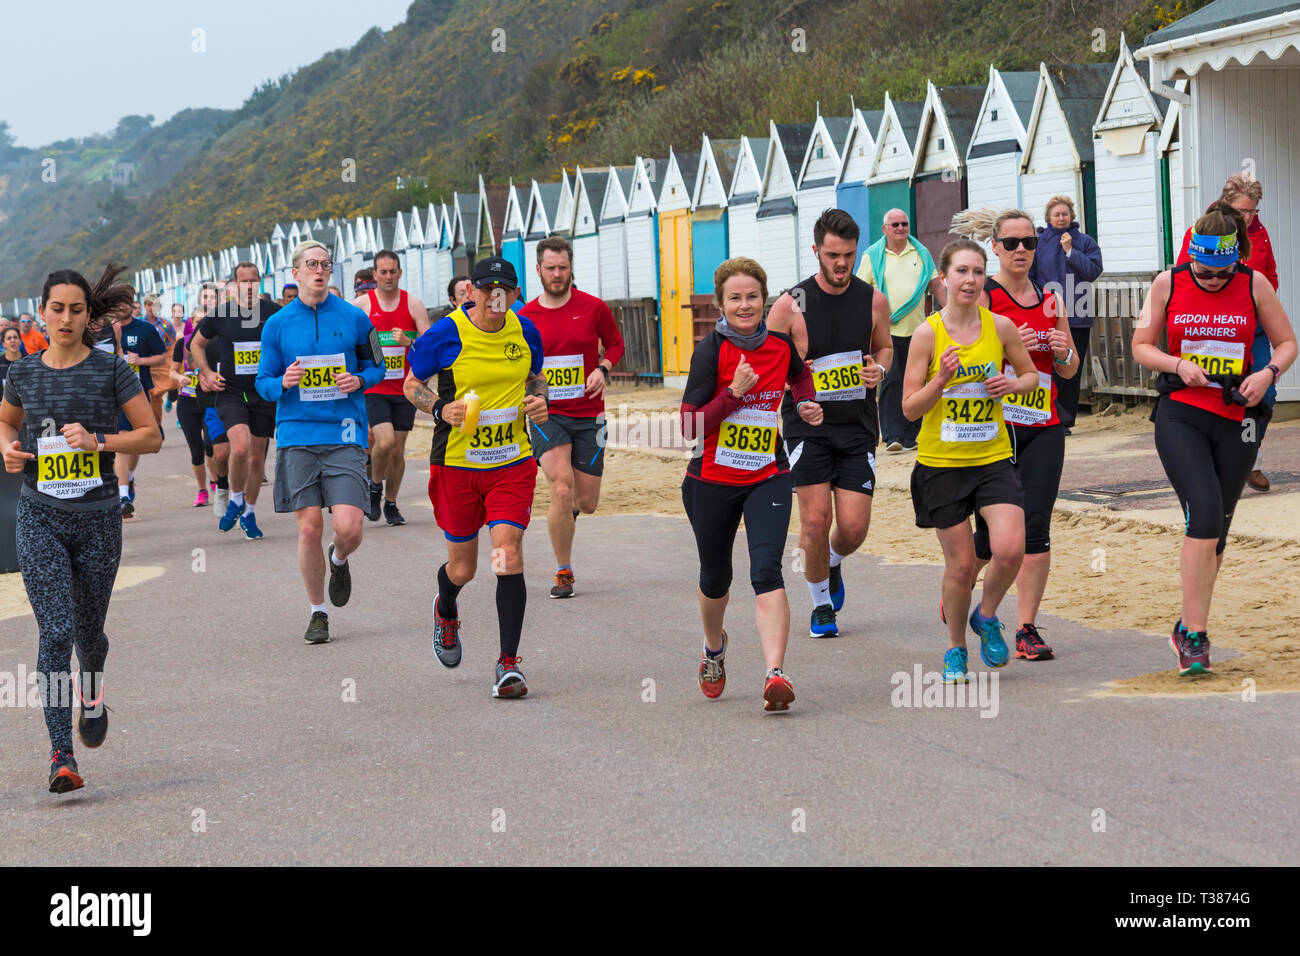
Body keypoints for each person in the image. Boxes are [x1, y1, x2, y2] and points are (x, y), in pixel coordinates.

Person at [0, 263, 162, 793]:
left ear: (88, 315)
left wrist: (100, 442)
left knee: (89, 636)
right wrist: (7, 446)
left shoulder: (110, 370)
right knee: (56, 631)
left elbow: (151, 436)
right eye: (57, 308)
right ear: (41, 313)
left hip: (96, 520)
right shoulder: (23, 372)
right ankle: (60, 755)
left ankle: (91, 694)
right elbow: (5, 420)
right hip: (39, 515)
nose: (65, 318)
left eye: (76, 309)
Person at [1133, 203, 1295, 676]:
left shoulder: (1253, 283)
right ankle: (1198, 639)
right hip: (1182, 412)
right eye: (1203, 271)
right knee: (1202, 516)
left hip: (1239, 416)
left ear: (1236, 258)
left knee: (1217, 530)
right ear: (1192, 256)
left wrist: (1268, 373)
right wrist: (1177, 364)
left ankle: (1186, 624)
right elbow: (1141, 345)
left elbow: (1287, 343)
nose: (1210, 280)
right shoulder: (1168, 282)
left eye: (1220, 273)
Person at [680, 257, 822, 711]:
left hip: (768, 475)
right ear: (721, 303)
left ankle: (774, 672)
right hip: (711, 480)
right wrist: (733, 394)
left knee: (767, 570)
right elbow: (688, 427)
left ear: (765, 299)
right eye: (735, 298)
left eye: (753, 297)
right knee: (716, 577)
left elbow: (801, 378)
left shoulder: (780, 346)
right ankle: (713, 647)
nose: (745, 305)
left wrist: (805, 405)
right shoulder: (710, 352)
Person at [403, 256, 549, 698]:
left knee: (508, 552)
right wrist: (438, 407)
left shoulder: (526, 332)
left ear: (516, 294)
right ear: (472, 292)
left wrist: (539, 401)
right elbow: (412, 384)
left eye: (504, 289)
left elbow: (536, 379)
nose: (495, 297)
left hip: (511, 461)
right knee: (463, 568)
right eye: (487, 289)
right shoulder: (447, 333)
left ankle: (509, 664)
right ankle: (446, 608)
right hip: (457, 464)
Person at [901, 239, 1040, 684]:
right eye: (961, 271)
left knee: (1011, 548)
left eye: (978, 272)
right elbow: (908, 409)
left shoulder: (1000, 327)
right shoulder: (928, 334)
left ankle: (988, 614)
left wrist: (1011, 386)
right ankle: (956, 648)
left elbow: (1031, 375)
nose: (970, 280)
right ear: (943, 278)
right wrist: (940, 378)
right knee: (961, 565)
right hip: (941, 463)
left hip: (992, 456)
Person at [955, 208, 1081, 661]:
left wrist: (1064, 353)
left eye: (1029, 242)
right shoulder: (983, 298)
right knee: (990, 538)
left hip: (1044, 423)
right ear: (995, 248)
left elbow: (1069, 370)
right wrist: (1011, 349)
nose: (1022, 250)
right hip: (996, 424)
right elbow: (962, 358)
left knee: (1036, 526)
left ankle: (1026, 627)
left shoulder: (1052, 299)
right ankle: (960, 590)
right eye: (1012, 243)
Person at [767, 209, 892, 637]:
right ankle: (821, 605)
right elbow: (771, 372)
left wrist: (880, 370)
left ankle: (834, 561)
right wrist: (798, 396)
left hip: (857, 426)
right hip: (808, 428)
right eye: (833, 255)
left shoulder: (872, 299)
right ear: (816, 251)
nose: (842, 264)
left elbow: (885, 347)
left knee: (853, 528)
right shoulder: (789, 306)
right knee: (815, 521)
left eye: (849, 256)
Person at [255, 240, 386, 644]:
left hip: (344, 433)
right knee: (309, 529)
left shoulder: (355, 318)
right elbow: (262, 384)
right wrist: (283, 383)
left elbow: (378, 365)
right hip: (297, 436)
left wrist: (360, 380)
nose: (319, 270)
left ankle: (340, 557)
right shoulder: (277, 325)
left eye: (325, 264)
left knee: (349, 527)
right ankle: (317, 613)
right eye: (311, 264)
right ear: (294, 274)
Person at [517, 236, 625, 598]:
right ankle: (563, 571)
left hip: (589, 414)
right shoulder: (524, 317)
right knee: (561, 487)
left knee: (586, 502)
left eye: (563, 267)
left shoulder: (593, 308)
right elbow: (513, 362)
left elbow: (616, 343)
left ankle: (568, 514)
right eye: (551, 268)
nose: (558, 274)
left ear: (571, 267)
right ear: (538, 270)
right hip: (548, 414)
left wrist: (604, 369)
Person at [1175, 174, 1279, 493]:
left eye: (1253, 211)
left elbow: (1271, 276)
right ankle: (1220, 460)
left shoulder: (1260, 235)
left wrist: (1260, 298)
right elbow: (1184, 273)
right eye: (1242, 211)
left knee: (1266, 394)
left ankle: (1250, 456)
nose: (1247, 218)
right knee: (1217, 391)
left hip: (1256, 326)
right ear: (1226, 205)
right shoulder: (1202, 231)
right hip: (1216, 327)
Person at [191, 262, 281, 539]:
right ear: (234, 285)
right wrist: (205, 373)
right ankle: (235, 498)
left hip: (263, 392)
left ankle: (249, 512)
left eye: (255, 280)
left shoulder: (274, 313)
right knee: (239, 449)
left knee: (256, 460)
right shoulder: (221, 314)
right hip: (231, 392)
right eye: (244, 281)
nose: (250, 286)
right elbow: (195, 344)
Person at [858, 209, 947, 453]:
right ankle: (893, 435)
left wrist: (953, 311)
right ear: (885, 229)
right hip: (886, 332)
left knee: (917, 381)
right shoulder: (872, 256)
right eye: (895, 224)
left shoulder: (921, 252)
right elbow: (860, 291)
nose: (900, 228)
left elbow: (936, 286)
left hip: (919, 332)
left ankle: (913, 434)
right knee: (891, 380)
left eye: (904, 224)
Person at [352, 249, 430, 526]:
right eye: (382, 272)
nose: (388, 276)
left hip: (405, 388)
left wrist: (409, 343)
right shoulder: (361, 305)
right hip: (374, 386)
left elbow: (429, 345)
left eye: (392, 271)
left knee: (398, 450)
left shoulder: (413, 304)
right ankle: (375, 487)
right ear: (374, 275)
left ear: (399, 273)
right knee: (383, 441)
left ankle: (391, 503)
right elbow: (346, 341)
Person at [1029, 197, 1103, 434]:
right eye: (1056, 214)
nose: (1061, 218)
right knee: (1046, 365)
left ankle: (1066, 419)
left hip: (1078, 315)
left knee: (1071, 366)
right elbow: (1029, 275)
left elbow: (1093, 271)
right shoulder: (1038, 243)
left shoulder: (1085, 242)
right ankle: (1049, 415)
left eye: (1065, 214)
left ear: (1072, 216)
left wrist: (1071, 251)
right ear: (1048, 218)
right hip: (1047, 313)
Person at [113, 296, 168, 516]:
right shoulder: (106, 331)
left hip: (138, 391)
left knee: (134, 441)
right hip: (113, 395)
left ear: (131, 305)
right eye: (117, 303)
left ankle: (130, 476)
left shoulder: (145, 329)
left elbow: (162, 358)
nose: (121, 307)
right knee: (122, 439)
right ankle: (123, 494)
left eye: (125, 303)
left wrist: (141, 361)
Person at [167, 320, 211, 507]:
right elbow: (172, 371)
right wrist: (180, 378)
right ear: (191, 323)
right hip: (187, 402)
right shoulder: (181, 343)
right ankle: (202, 490)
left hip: (210, 400)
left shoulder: (214, 341)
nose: (201, 325)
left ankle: (218, 481)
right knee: (196, 449)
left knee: (212, 445)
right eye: (197, 321)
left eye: (204, 321)